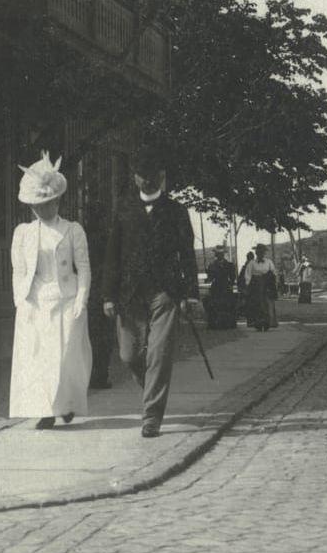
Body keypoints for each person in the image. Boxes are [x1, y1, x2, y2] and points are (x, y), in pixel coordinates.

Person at [101, 150, 199, 439]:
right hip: (129, 295)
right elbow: (112, 256)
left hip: (165, 293)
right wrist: (108, 295)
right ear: (135, 178)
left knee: (158, 354)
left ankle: (152, 416)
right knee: (129, 355)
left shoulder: (176, 211)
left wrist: (190, 293)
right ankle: (153, 392)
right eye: (143, 176)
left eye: (154, 177)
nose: (148, 181)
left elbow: (187, 255)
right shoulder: (124, 209)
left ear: (163, 178)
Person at [10, 152, 92, 430]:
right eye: (37, 206)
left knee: (65, 356)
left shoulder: (72, 230)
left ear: (57, 201)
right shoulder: (23, 233)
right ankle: (44, 410)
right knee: (39, 357)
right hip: (35, 300)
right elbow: (19, 269)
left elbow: (83, 268)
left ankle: (66, 404)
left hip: (66, 300)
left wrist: (82, 297)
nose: (42, 210)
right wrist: (19, 300)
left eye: (47, 204)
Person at [244, 243, 279, 331]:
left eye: (262, 252)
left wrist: (274, 283)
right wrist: (248, 285)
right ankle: (258, 324)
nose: (260, 254)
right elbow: (248, 275)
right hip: (256, 286)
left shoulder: (269, 262)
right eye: (258, 252)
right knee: (257, 304)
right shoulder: (251, 263)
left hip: (267, 285)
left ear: (264, 253)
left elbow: (274, 273)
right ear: (256, 253)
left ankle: (268, 323)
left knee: (267, 304)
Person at [205, 248, 237, 330]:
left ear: (223, 254)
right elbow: (210, 278)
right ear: (216, 255)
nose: (219, 255)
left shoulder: (229, 265)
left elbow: (233, 277)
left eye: (221, 254)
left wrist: (231, 284)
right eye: (218, 254)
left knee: (228, 305)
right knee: (215, 304)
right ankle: (214, 324)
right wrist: (208, 276)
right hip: (216, 287)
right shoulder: (212, 265)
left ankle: (229, 324)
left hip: (226, 286)